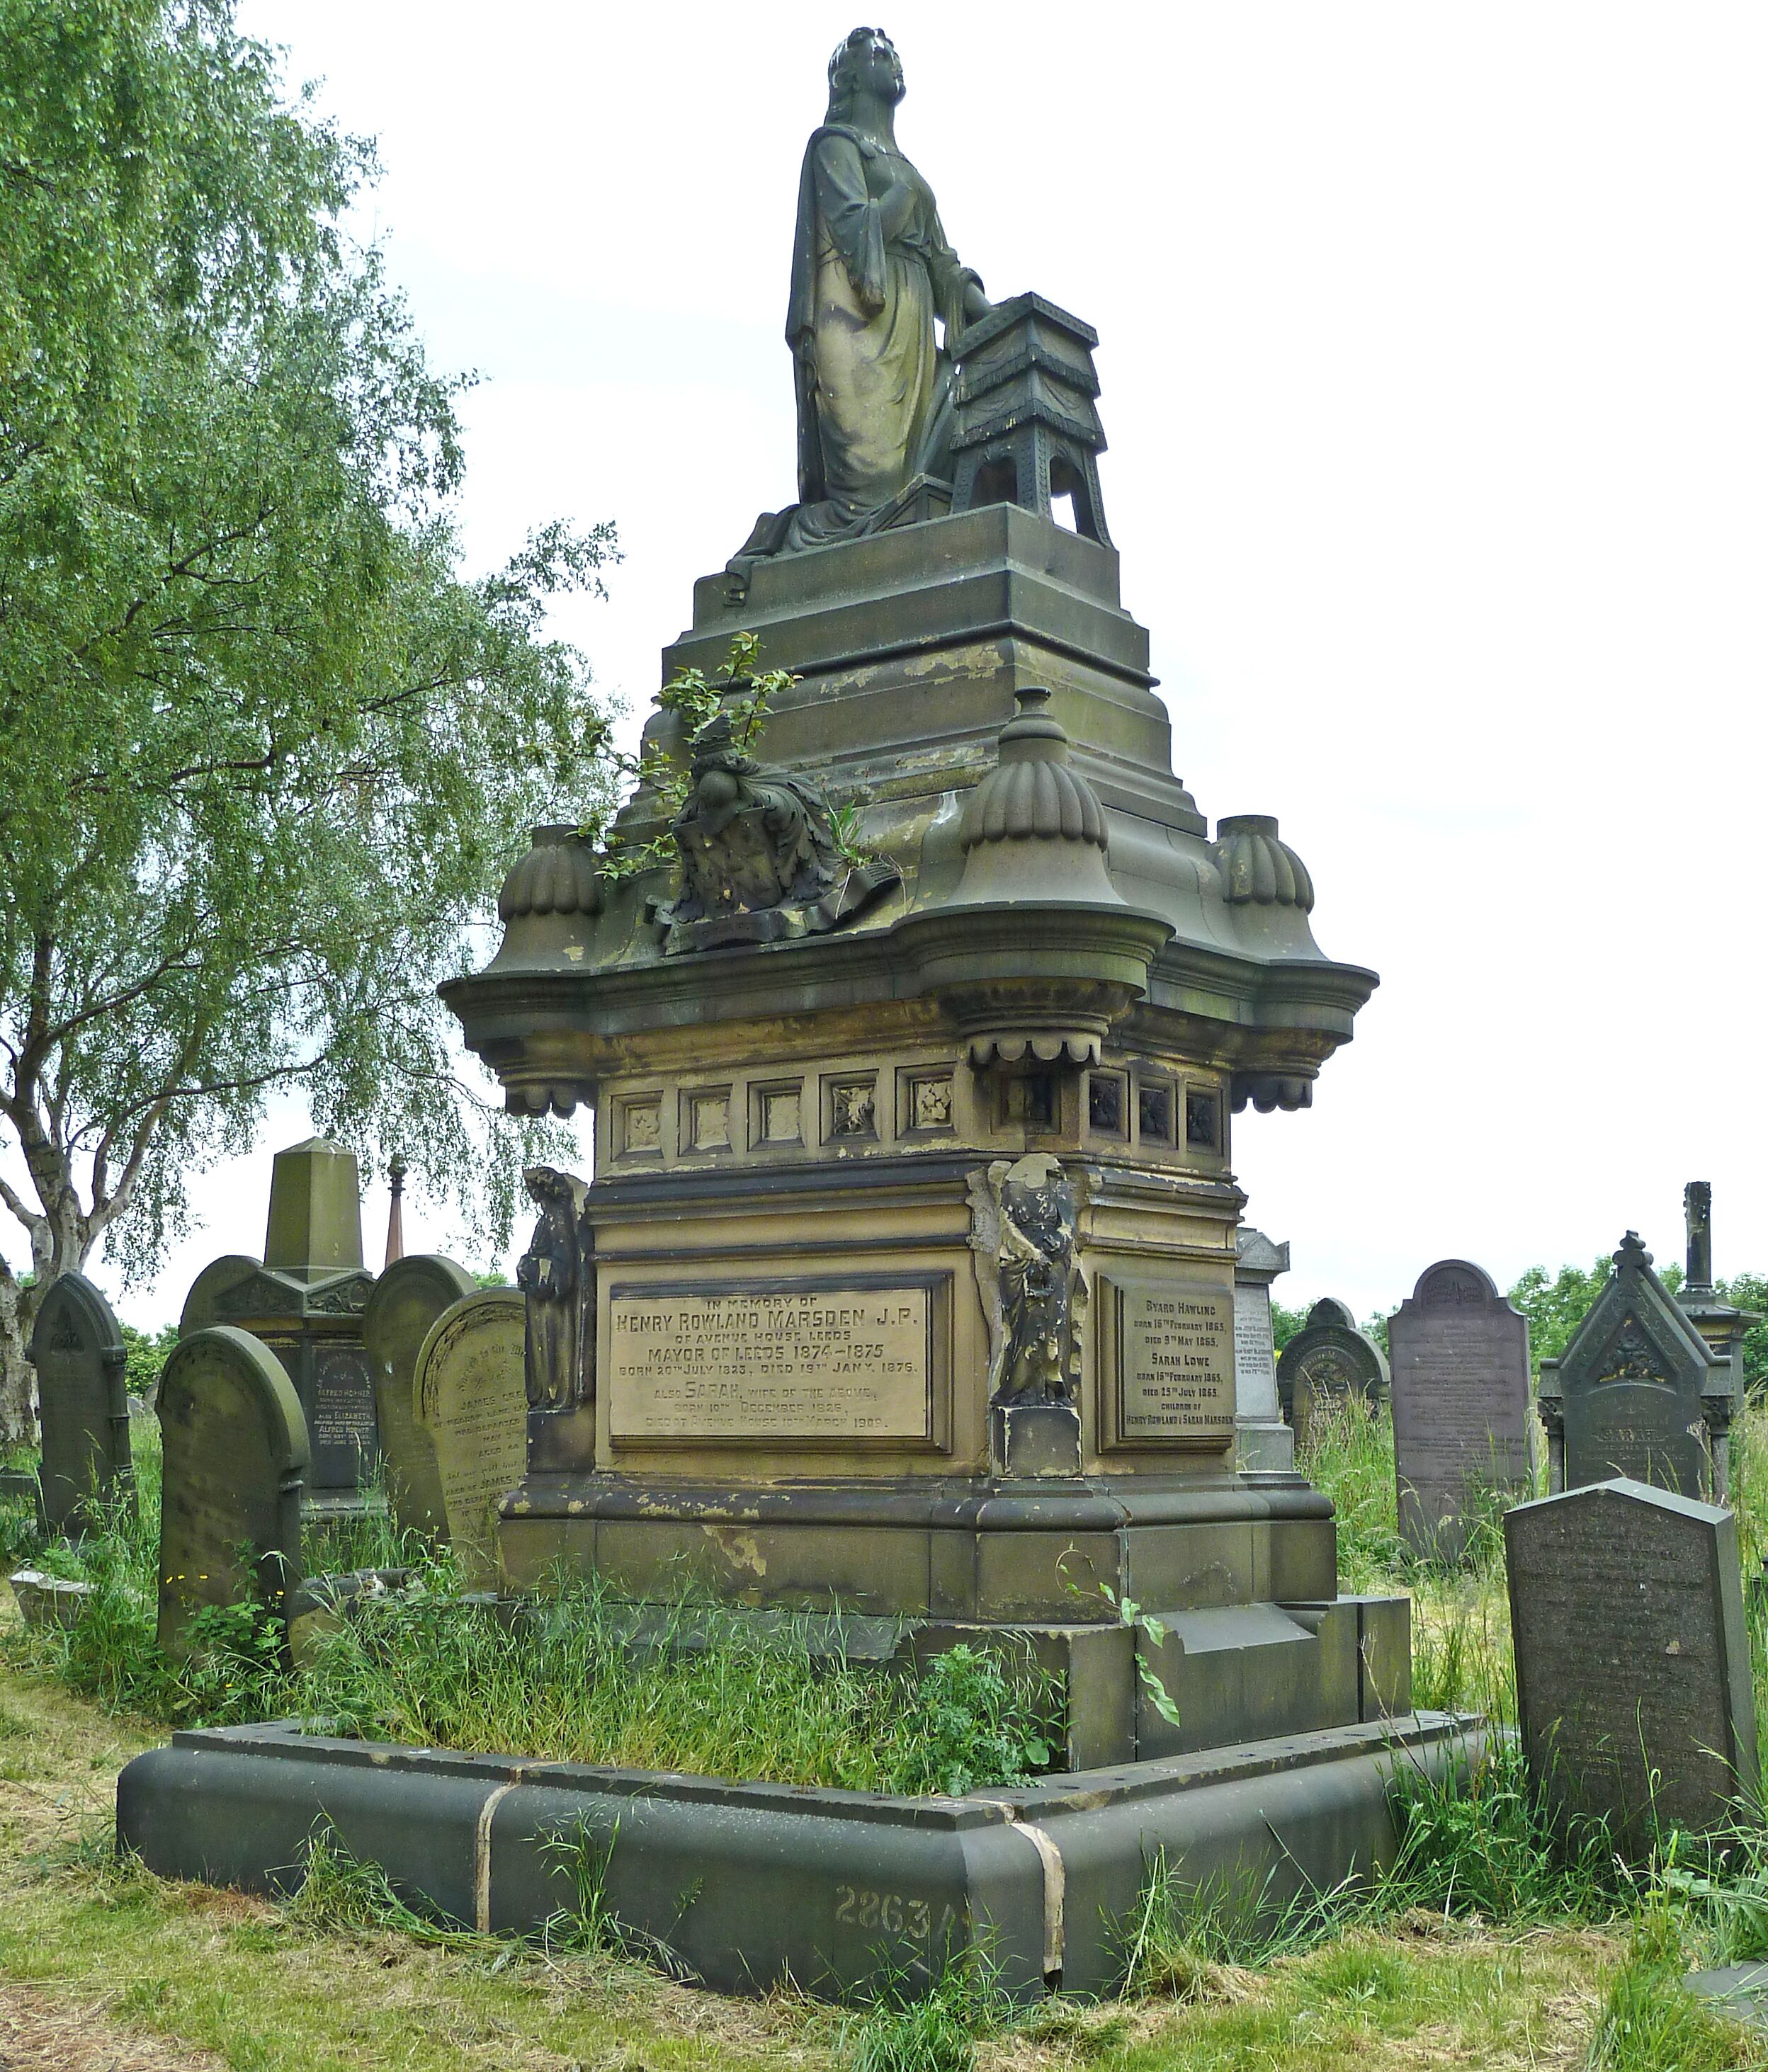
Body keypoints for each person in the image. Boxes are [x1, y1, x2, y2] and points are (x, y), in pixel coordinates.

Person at [734, 28, 990, 572]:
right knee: (869, 498)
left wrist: (990, 314)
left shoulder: (909, 170)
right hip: (854, 331)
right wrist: (906, 195)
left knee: (946, 456)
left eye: (894, 51)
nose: (893, 58)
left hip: (914, 336)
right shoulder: (833, 146)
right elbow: (854, 238)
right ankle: (779, 545)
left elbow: (943, 263)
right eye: (878, 53)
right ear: (849, 77)